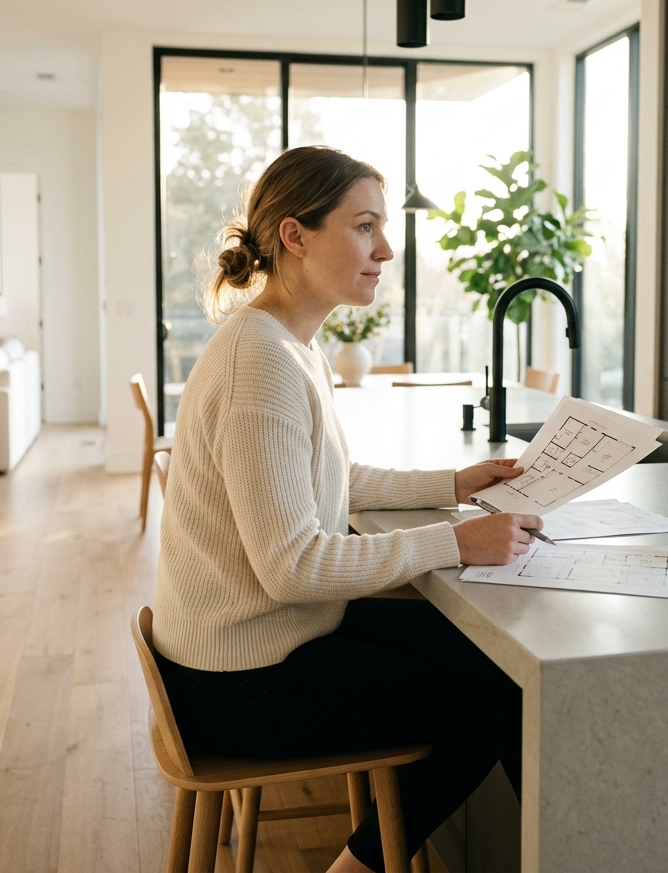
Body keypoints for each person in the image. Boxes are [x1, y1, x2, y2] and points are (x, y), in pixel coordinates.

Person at [153, 145, 542, 873]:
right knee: (487, 701)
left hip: (267, 640)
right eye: (365, 227)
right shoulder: (259, 361)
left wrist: (451, 486)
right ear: (296, 237)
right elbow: (293, 567)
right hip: (242, 679)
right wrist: (455, 543)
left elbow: (330, 476)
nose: (386, 250)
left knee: (493, 666)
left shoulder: (288, 344)